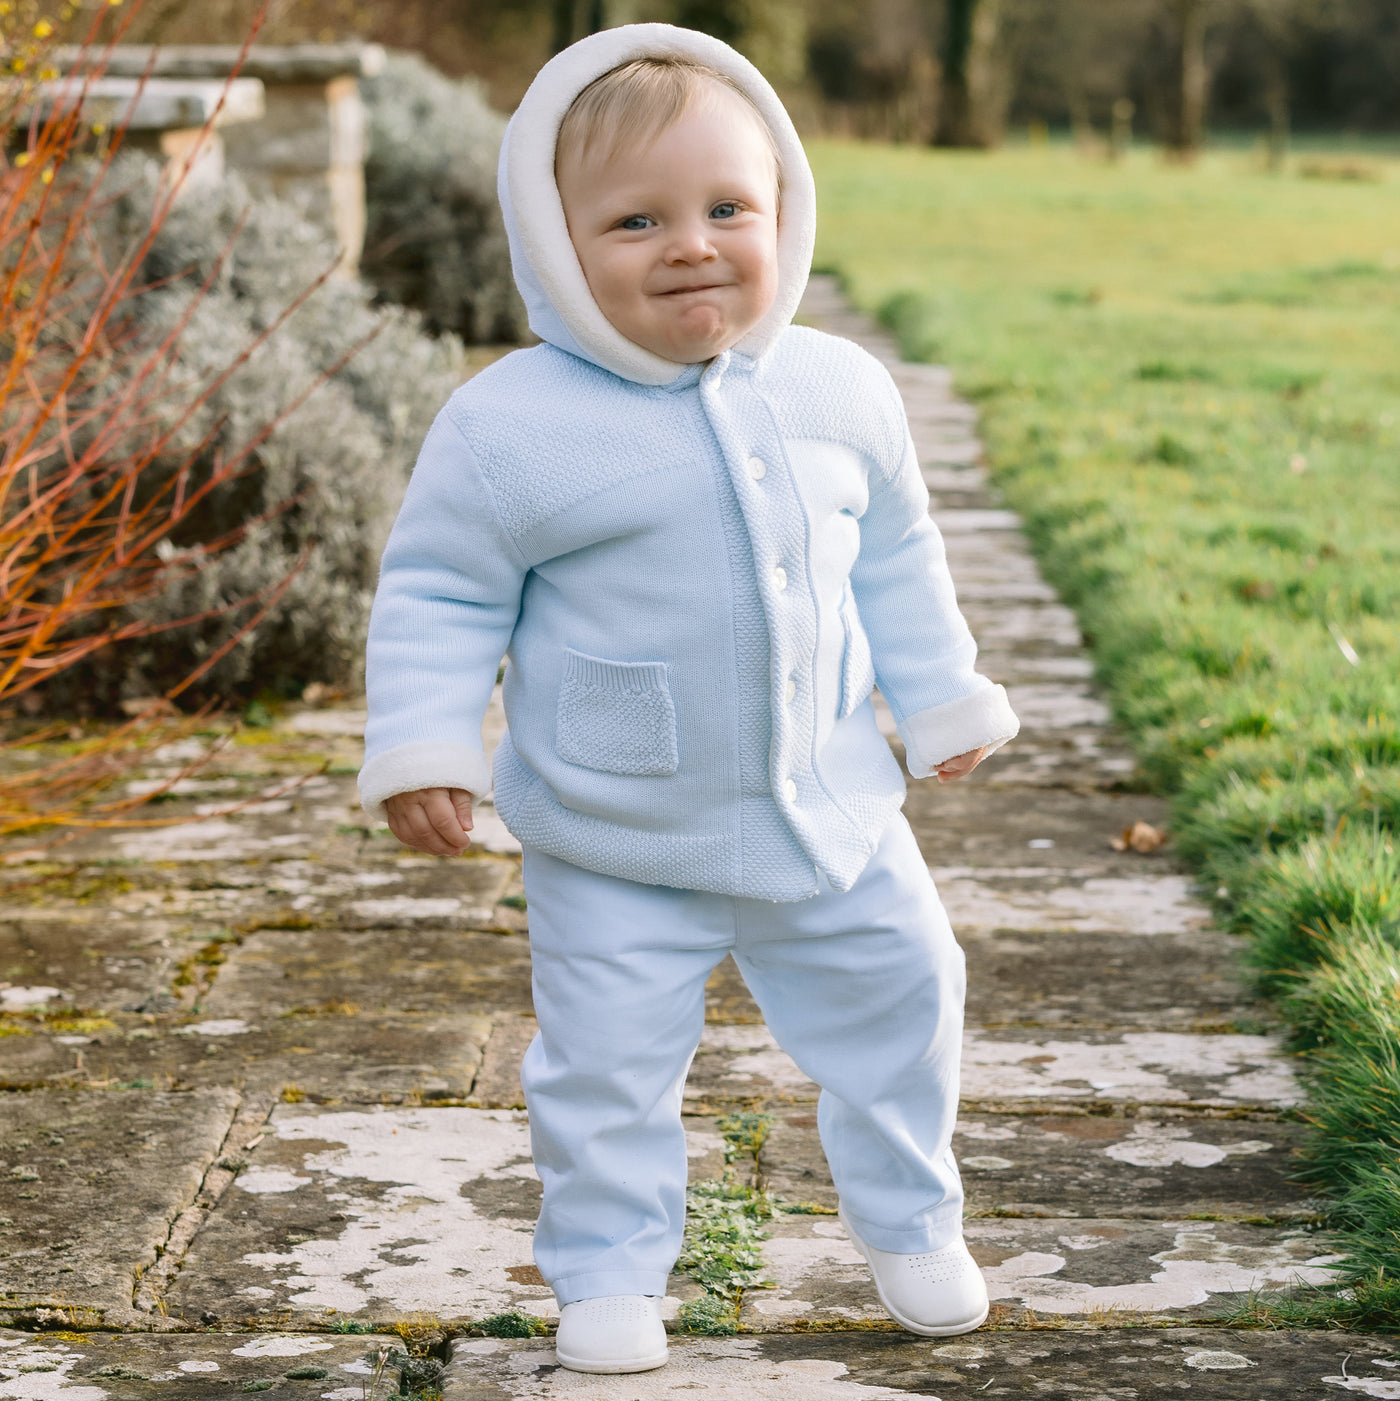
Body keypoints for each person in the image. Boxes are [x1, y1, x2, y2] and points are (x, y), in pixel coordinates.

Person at [358, 23, 1019, 1376]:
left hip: (833, 813)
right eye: (635, 220)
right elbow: (438, 591)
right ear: (554, 242)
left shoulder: (840, 390)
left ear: (785, 208)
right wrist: (425, 744)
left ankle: (910, 1219)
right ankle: (608, 1269)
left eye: (728, 208)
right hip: (615, 836)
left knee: (911, 994)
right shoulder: (510, 425)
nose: (691, 246)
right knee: (603, 1065)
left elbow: (896, 555)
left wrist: (943, 695)